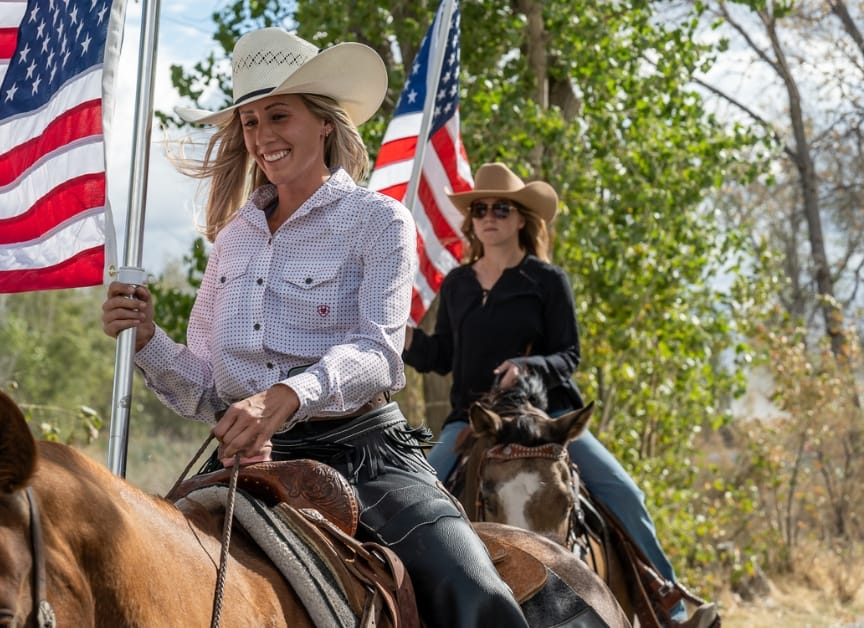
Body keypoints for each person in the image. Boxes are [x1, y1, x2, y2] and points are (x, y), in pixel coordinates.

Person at [101, 28, 528, 628]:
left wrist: (286, 396)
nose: (263, 137)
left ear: (324, 122)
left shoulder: (378, 221)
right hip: (243, 461)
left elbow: (379, 353)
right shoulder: (232, 241)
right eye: (250, 122)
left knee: (474, 592)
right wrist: (147, 341)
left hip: (363, 455)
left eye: (279, 116)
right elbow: (208, 387)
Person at [403, 161, 712, 623]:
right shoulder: (458, 284)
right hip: (476, 421)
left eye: (501, 209)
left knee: (623, 492)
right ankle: (407, 606)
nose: (490, 216)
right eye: (481, 209)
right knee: (416, 497)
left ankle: (669, 601)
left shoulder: (547, 280)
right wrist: (405, 339)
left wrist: (527, 365)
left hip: (549, 416)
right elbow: (443, 355)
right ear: (472, 221)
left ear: (522, 219)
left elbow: (568, 354)